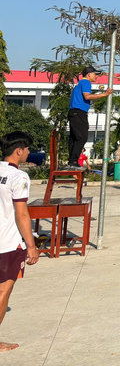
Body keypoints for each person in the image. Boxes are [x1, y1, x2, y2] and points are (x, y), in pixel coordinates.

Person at [0, 132, 40, 352]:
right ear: (18, 150)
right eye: (27, 149)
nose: (28, 153)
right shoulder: (19, 177)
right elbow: (22, 214)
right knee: (4, 290)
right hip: (7, 243)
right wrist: (31, 246)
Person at [67, 66, 112, 168]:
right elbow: (87, 96)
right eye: (95, 74)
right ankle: (73, 161)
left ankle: (71, 161)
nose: (96, 76)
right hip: (79, 113)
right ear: (88, 75)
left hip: (73, 112)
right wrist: (105, 94)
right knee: (82, 137)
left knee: (74, 138)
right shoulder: (86, 82)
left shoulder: (79, 83)